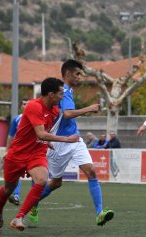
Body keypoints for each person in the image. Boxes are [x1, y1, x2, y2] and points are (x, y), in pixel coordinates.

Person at [26, 59, 114, 227]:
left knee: (91, 171)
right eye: (77, 74)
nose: (80, 77)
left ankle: (99, 213)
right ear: (67, 74)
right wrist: (89, 108)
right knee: (55, 183)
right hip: (59, 143)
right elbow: (66, 114)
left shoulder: (68, 91)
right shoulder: (63, 91)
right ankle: (33, 203)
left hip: (75, 139)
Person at [0, 77, 80, 231]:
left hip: (37, 153)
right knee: (8, 189)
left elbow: (43, 133)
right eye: (61, 94)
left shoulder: (54, 110)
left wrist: (47, 142)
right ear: (51, 94)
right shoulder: (34, 106)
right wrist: (66, 139)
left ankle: (19, 217)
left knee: (41, 180)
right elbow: (41, 134)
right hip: (18, 153)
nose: (62, 97)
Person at [7, 98, 29, 205]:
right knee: (17, 174)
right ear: (21, 106)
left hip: (33, 150)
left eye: (28, 104)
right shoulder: (16, 119)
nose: (26, 106)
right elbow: (11, 136)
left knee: (38, 175)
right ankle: (16, 195)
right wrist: (8, 150)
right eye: (24, 104)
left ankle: (35, 200)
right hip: (19, 150)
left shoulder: (37, 118)